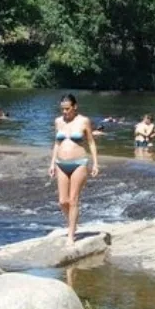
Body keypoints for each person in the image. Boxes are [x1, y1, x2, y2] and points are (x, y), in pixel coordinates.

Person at [49, 94, 99, 245]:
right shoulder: (58, 121)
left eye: (67, 109)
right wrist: (52, 163)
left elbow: (91, 142)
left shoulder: (83, 121)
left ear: (75, 107)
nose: (65, 112)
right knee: (62, 201)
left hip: (79, 163)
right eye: (62, 109)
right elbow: (57, 143)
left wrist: (95, 163)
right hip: (61, 163)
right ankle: (73, 222)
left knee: (73, 199)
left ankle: (71, 235)